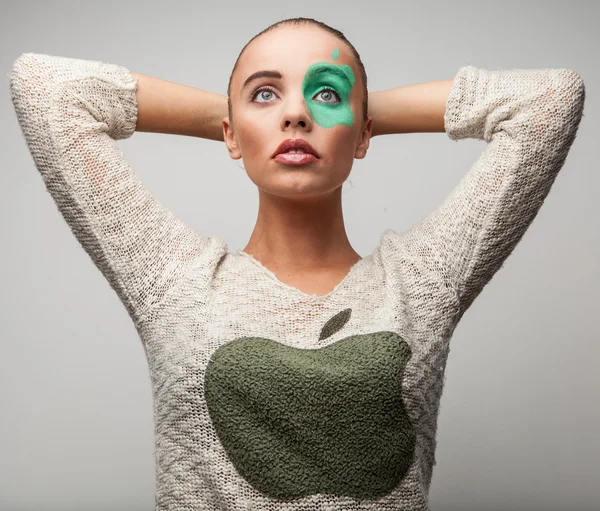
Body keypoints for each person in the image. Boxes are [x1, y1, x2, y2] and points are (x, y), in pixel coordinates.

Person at [9, 16, 585, 511]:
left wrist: (358, 110)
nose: (295, 116)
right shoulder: (172, 280)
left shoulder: (422, 282)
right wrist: (234, 115)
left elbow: (548, 101)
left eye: (326, 93)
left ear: (364, 136)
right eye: (266, 94)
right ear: (231, 134)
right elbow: (45, 87)